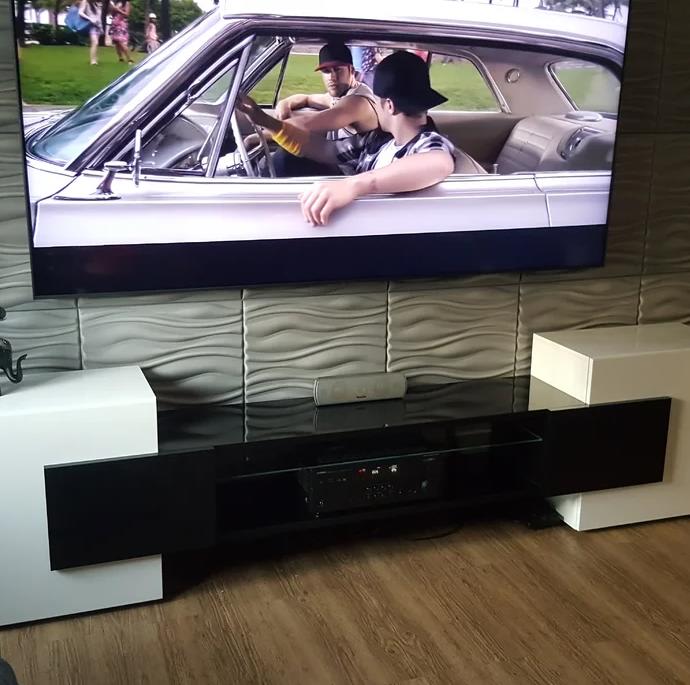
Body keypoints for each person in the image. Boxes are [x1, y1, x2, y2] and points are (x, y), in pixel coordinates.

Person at [237, 50, 455, 226]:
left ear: (388, 105)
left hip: (380, 234)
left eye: (376, 100)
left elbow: (439, 162)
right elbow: (325, 149)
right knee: (287, 158)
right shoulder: (378, 141)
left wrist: (351, 186)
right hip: (363, 226)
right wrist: (265, 121)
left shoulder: (428, 142)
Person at [256, 42, 379, 177]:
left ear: (351, 70)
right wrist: (285, 103)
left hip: (354, 173)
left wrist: (256, 137)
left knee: (286, 156)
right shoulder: (339, 97)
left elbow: (307, 124)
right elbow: (306, 98)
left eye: (338, 69)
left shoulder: (357, 102)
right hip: (336, 162)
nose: (332, 77)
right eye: (326, 71)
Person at [78, 0, 102, 65]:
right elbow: (80, 12)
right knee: (95, 42)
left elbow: (98, 15)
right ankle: (93, 60)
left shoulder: (97, 3)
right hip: (91, 25)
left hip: (98, 25)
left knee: (95, 43)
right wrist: (90, 19)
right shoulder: (85, 1)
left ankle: (95, 58)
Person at [109, 0, 132, 64]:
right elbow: (113, 14)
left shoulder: (126, 3)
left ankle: (129, 59)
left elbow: (127, 14)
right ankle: (120, 58)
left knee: (121, 41)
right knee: (116, 42)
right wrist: (112, 9)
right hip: (115, 24)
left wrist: (118, 10)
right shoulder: (117, 3)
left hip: (121, 24)